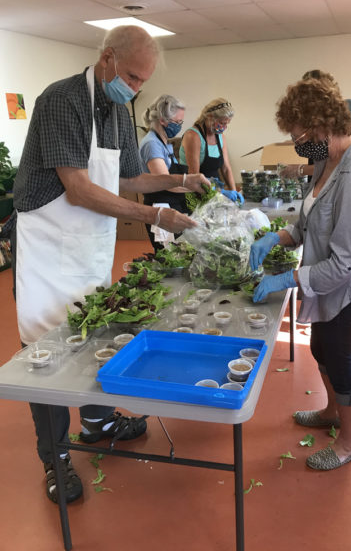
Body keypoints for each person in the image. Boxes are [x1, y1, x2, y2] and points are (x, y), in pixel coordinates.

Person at [12, 25, 210, 504]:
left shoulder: (119, 111)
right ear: (107, 59)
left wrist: (182, 182)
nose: (136, 87)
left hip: (87, 243)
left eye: (143, 81)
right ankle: (55, 458)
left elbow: (126, 180)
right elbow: (78, 188)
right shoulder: (62, 100)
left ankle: (98, 424)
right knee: (47, 353)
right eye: (132, 76)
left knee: (96, 334)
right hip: (48, 244)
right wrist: (154, 216)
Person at [249, 78, 351, 471]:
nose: (297, 144)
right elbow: (309, 220)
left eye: (298, 136)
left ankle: (348, 444)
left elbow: (344, 264)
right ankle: (331, 411)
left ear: (321, 126)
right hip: (323, 280)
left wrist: (286, 280)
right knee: (320, 349)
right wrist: (276, 238)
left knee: (341, 360)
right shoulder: (328, 159)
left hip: (346, 288)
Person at [139, 94, 191, 249]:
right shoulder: (152, 144)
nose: (180, 125)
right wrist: (196, 187)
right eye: (178, 122)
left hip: (173, 204)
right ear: (163, 120)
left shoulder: (164, 143)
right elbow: (165, 182)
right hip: (161, 208)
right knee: (169, 258)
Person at [178, 98, 244, 204]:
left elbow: (226, 168)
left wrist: (233, 192)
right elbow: (194, 176)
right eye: (222, 123)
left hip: (215, 193)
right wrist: (220, 192)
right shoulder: (193, 136)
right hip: (194, 193)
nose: (224, 127)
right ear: (210, 117)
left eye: (227, 124)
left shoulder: (220, 136)